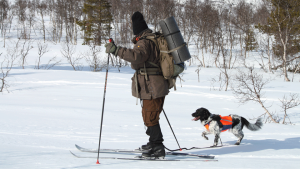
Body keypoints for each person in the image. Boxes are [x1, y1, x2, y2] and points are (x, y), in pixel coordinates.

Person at [105, 11, 169, 158]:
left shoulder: (145, 42)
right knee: (149, 115)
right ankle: (153, 143)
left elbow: (136, 56)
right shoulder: (151, 39)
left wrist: (116, 50)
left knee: (150, 117)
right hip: (153, 85)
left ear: (137, 30)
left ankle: (158, 147)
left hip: (152, 86)